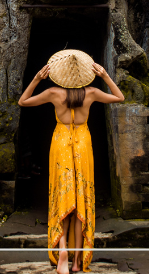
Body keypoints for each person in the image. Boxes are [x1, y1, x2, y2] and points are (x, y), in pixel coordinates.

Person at [18, 50, 125, 274]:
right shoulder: (92, 92)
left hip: (61, 144)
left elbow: (23, 101)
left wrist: (37, 79)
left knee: (63, 196)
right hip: (83, 144)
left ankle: (63, 249)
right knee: (81, 199)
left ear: (60, 74)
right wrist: (105, 76)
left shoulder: (53, 93)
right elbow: (119, 97)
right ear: (86, 74)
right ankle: (78, 260)